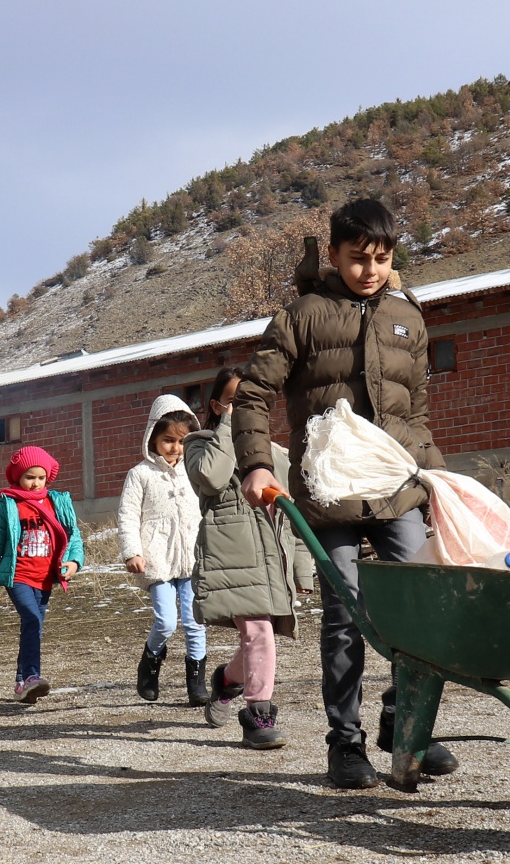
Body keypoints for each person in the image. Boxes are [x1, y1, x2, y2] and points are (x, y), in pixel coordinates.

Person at [232, 199, 461, 789]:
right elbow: (253, 394)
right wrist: (258, 465)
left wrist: (435, 476)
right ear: (333, 254)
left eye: (381, 259)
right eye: (358, 258)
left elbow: (417, 412)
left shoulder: (407, 317)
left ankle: (405, 723)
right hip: (329, 493)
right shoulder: (303, 315)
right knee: (345, 614)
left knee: (418, 608)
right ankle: (346, 743)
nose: (370, 270)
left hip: (394, 487)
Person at [184, 366, 315, 750]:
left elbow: (293, 516)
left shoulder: (276, 456)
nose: (243, 409)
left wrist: (302, 569)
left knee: (259, 637)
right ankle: (259, 715)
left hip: (273, 561)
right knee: (258, 632)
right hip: (231, 560)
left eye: (249, 402)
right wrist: (228, 428)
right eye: (233, 401)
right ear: (216, 405)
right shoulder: (200, 443)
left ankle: (226, 680)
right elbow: (210, 478)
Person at [0, 446, 84, 703]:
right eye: (30, 477)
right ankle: (33, 676)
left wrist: (75, 561)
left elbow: (72, 535)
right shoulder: (8, 504)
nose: (35, 483)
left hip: (45, 579)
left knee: (33, 627)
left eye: (40, 477)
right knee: (32, 619)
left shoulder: (57, 502)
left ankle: (22, 683)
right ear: (18, 477)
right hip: (18, 576)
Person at [119, 395, 208, 706]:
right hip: (157, 558)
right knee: (167, 621)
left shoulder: (194, 469)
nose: (175, 448)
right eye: (168, 440)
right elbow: (128, 514)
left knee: (195, 620)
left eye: (181, 441)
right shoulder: (140, 474)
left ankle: (196, 681)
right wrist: (132, 552)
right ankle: (151, 660)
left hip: (193, 557)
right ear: (152, 438)